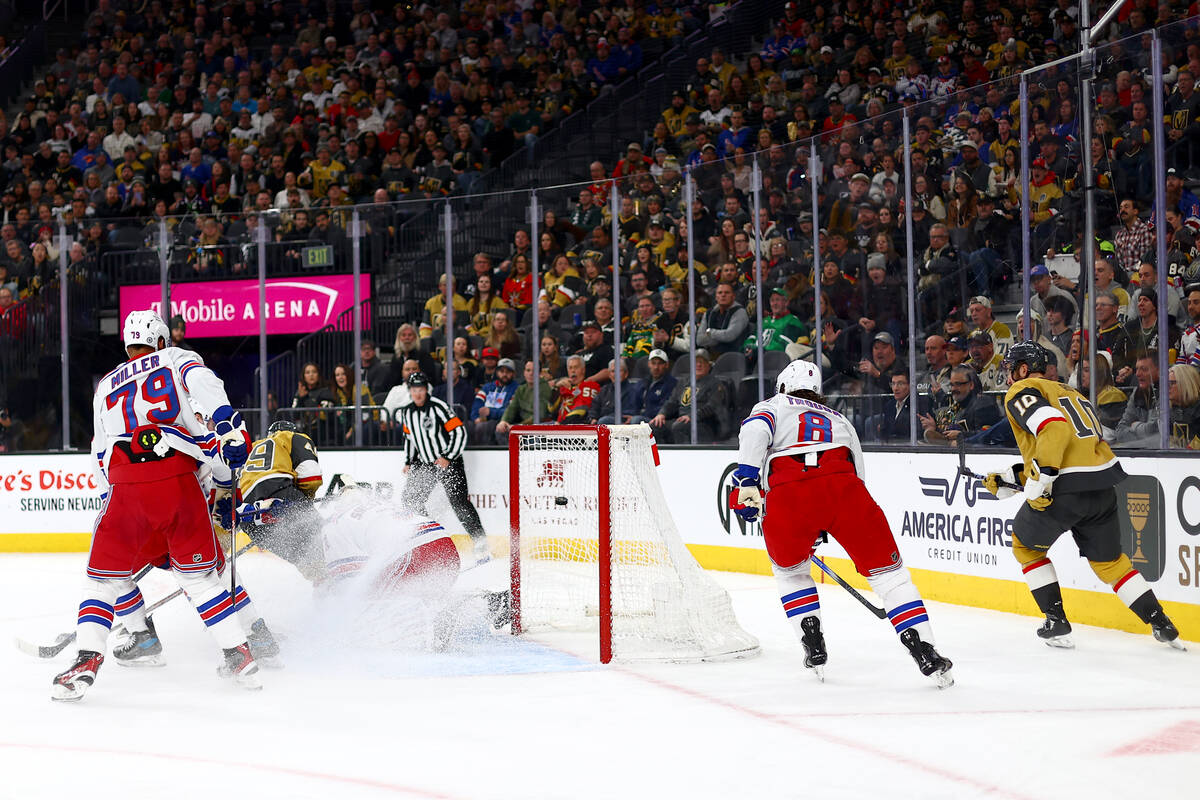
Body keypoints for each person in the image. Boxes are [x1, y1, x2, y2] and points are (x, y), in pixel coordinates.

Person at [54, 311, 257, 701]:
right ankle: (239, 654)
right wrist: (230, 427)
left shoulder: (106, 385)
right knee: (202, 578)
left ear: (128, 345)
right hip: (182, 486)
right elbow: (207, 391)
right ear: (161, 340)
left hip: (127, 487)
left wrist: (110, 501)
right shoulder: (177, 358)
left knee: (104, 579)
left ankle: (88, 661)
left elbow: (100, 453)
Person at [731, 359, 954, 686]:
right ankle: (925, 649)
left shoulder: (774, 404)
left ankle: (812, 642)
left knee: (791, 573)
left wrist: (747, 479)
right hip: (845, 490)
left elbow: (754, 430)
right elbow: (858, 470)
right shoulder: (838, 417)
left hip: (789, 493)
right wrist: (834, 516)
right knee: (891, 579)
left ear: (782, 385)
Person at [984, 341, 1181, 649]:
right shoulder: (1070, 392)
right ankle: (1160, 622)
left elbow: (1054, 430)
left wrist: (1044, 475)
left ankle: (1056, 620)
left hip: (1063, 491)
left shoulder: (1022, 390)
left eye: (1011, 370)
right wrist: (1014, 477)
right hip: (1101, 488)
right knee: (1112, 564)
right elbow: (1073, 451)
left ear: (1022, 369)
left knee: (1026, 548)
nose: (1009, 376)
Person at [396, 372, 489, 563]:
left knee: (459, 503)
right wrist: (408, 461)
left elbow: (459, 432)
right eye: (414, 390)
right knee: (411, 501)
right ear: (410, 391)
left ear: (426, 390)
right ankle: (429, 541)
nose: (418, 393)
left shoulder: (439, 407)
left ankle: (481, 544)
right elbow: (410, 440)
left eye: (421, 389)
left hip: (448, 461)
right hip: (425, 463)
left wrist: (447, 456)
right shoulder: (407, 412)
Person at [238, 419, 326, 582]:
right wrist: (304, 504)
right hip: (281, 494)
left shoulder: (251, 449)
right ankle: (334, 585)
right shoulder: (293, 437)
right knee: (322, 542)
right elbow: (311, 477)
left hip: (249, 515)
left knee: (303, 558)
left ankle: (320, 582)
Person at [650, 349, 729, 444]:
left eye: (702, 362)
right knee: (655, 426)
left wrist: (693, 416)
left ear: (709, 365)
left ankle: (683, 457)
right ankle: (661, 457)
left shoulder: (715, 384)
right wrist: (661, 414)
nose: (698, 365)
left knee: (679, 426)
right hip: (682, 420)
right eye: (696, 362)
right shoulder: (683, 382)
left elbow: (712, 406)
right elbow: (672, 402)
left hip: (703, 423)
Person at [495, 360, 553, 442]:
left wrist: (519, 426)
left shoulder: (544, 388)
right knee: (500, 430)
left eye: (534, 371)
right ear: (524, 372)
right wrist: (504, 421)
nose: (531, 373)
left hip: (538, 427)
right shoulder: (521, 389)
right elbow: (511, 408)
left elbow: (540, 415)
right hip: (522, 427)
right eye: (528, 370)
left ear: (540, 373)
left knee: (530, 439)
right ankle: (509, 454)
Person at [470, 357, 518, 444]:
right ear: (496, 372)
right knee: (468, 426)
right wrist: (476, 417)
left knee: (484, 427)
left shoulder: (516, 388)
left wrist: (490, 412)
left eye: (508, 372)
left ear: (513, 374)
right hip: (483, 419)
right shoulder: (487, 387)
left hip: (501, 421)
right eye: (502, 371)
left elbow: (510, 411)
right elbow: (476, 404)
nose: (504, 374)